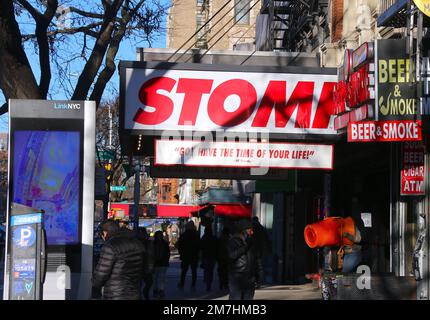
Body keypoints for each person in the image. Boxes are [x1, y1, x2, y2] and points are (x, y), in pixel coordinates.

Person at [92, 220, 147, 300]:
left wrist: (94, 283)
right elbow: (145, 268)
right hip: (135, 293)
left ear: (105, 233)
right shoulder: (138, 244)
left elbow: (101, 275)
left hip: (115, 295)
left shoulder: (110, 246)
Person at [227, 219, 263, 300]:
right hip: (237, 277)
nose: (252, 233)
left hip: (250, 278)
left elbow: (257, 260)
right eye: (250, 230)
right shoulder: (234, 241)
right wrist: (245, 247)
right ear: (244, 231)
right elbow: (232, 256)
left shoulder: (253, 243)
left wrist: (260, 275)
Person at [176, 221, 200, 290]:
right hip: (194, 256)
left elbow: (180, 245)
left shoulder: (184, 235)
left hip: (185, 256)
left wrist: (181, 253)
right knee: (194, 271)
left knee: (184, 271)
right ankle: (193, 285)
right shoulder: (196, 235)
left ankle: (182, 283)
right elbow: (199, 245)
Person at [137, 227, 155, 300]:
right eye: (140, 233)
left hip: (146, 265)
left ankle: (145, 292)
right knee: (138, 283)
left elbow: (152, 254)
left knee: (149, 282)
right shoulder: (135, 242)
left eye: (142, 233)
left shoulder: (148, 243)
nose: (141, 235)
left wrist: (152, 265)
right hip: (137, 266)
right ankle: (140, 295)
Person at [152, 230, 171, 299]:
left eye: (160, 235)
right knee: (156, 278)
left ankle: (160, 290)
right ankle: (156, 290)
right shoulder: (153, 244)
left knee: (160, 277)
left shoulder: (163, 244)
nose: (160, 237)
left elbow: (168, 253)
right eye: (158, 235)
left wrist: (166, 260)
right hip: (156, 263)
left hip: (162, 263)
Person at [200, 225, 218, 291]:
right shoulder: (214, 238)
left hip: (205, 256)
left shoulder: (203, 238)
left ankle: (207, 281)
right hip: (212, 256)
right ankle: (209, 282)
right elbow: (217, 247)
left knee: (207, 270)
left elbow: (200, 247)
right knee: (211, 270)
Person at [217, 226, 230, 291]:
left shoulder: (220, 239)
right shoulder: (229, 239)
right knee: (226, 271)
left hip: (221, 257)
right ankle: (226, 283)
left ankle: (221, 283)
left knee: (221, 271)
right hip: (227, 257)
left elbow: (217, 248)